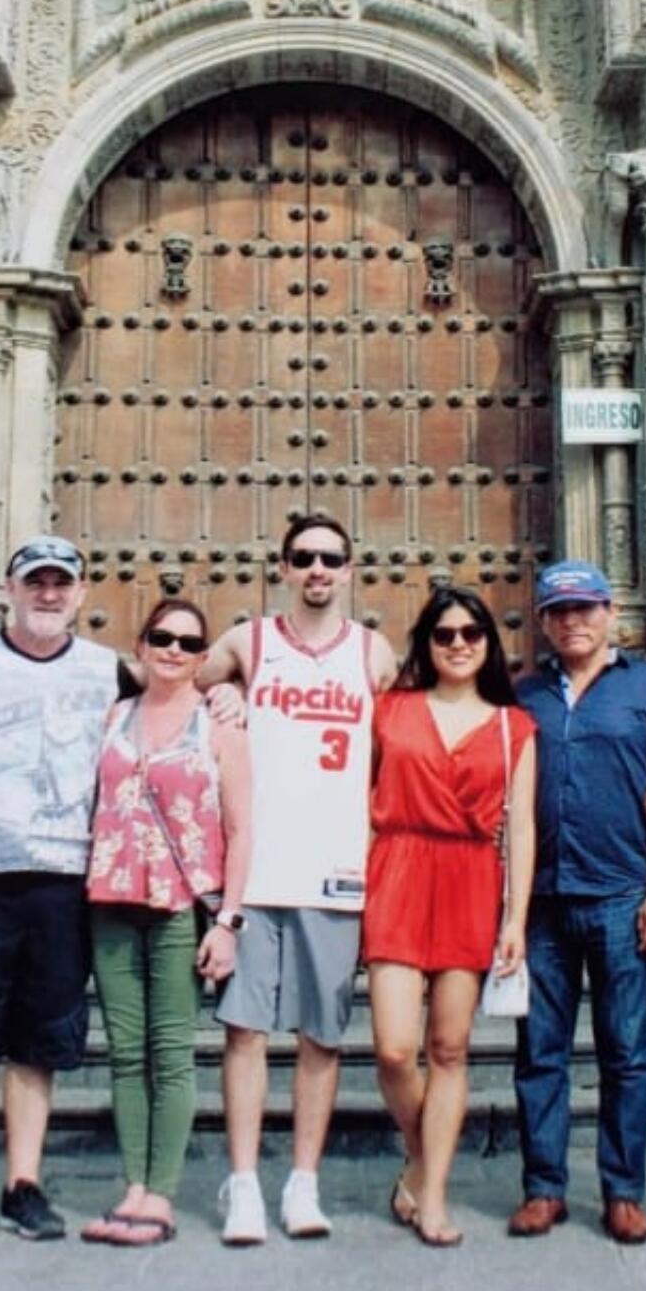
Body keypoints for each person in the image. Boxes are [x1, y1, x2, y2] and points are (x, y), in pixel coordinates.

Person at [199, 514, 396, 1245]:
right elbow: (171, 688)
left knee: (322, 1037)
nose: (317, 569)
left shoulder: (374, 655)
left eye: (330, 559)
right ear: (282, 568)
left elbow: (403, 750)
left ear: (350, 570)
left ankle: (302, 1183)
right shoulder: (247, 642)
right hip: (253, 873)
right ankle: (244, 1183)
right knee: (244, 1031)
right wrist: (218, 701)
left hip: (338, 871)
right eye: (303, 558)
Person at [0, 536, 130, 1246]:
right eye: (35, 582)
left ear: (80, 594)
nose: (48, 594)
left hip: (63, 876)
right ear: (9, 588)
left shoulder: (109, 671)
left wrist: (226, 699)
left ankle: (24, 1180)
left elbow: (171, 721)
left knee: (40, 1039)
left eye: (61, 584)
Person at [510, 560, 646, 1246]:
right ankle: (543, 1187)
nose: (572, 621)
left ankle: (622, 1191)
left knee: (627, 1053)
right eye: (559, 611)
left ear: (610, 612)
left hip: (622, 897)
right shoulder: (525, 695)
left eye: (585, 608)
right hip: (542, 904)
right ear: (545, 621)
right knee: (540, 1053)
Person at [365, 587, 535, 1248]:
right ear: (427, 644)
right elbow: (360, 801)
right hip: (399, 871)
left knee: (449, 1049)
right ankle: (419, 1158)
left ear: (489, 643)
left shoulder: (512, 726)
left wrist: (515, 918)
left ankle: (432, 1193)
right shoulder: (390, 711)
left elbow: (521, 829)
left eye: (471, 633)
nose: (458, 643)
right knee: (393, 1048)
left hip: (471, 881)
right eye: (444, 634)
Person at [82, 599, 251, 1247]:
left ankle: (162, 1194)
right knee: (127, 1055)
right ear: (141, 644)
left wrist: (229, 922)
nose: (174, 650)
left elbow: (241, 828)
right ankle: (133, 1185)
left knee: (171, 1054)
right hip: (111, 900)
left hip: (182, 906)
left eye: (188, 643)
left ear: (204, 659)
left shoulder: (219, 727)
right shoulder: (114, 716)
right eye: (162, 637)